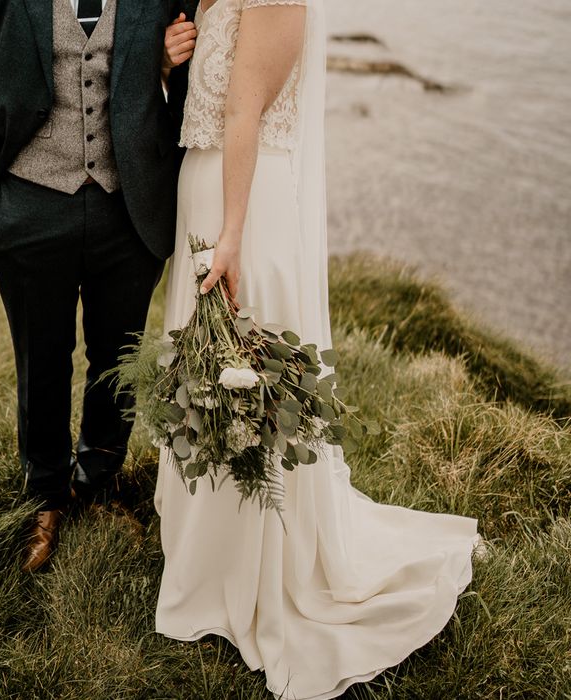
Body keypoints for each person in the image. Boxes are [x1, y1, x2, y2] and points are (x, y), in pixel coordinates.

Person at [156, 1, 482, 697]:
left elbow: (245, 112)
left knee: (245, 375)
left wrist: (233, 234)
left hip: (244, 205)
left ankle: (255, 569)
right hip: (207, 190)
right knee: (209, 376)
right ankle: (211, 560)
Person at [0, 0, 196, 572]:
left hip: (129, 206)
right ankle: (46, 494)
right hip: (25, 201)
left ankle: (98, 481)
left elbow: (194, 66)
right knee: (41, 357)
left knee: (117, 357)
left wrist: (170, 171)